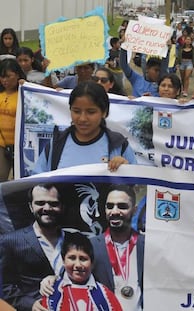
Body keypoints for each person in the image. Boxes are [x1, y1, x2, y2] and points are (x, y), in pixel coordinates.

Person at [32, 81, 137, 174]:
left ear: (104, 112)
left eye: (91, 112)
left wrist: (126, 170)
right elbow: (37, 182)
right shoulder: (56, 144)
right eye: (76, 111)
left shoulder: (118, 145)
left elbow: (138, 185)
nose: (82, 118)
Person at [0, 183, 66, 311]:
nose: (47, 208)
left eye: (53, 203)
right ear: (31, 206)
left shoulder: (75, 239)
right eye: (40, 203)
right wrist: (29, 304)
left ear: (62, 207)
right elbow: (4, 286)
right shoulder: (9, 241)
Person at [41, 232, 122, 311]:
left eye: (83, 259)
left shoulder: (105, 296)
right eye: (72, 258)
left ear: (92, 263)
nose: (78, 265)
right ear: (63, 260)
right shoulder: (52, 293)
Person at [0, 58, 26, 182]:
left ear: (17, 75)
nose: (5, 80)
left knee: (19, 180)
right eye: (2, 77)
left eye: (8, 76)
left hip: (21, 145)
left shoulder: (25, 93)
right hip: (1, 144)